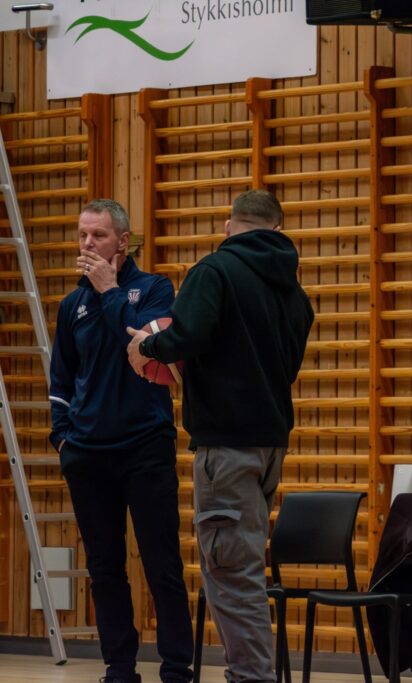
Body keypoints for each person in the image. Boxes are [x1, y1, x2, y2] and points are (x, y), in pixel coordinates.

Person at [126, 189, 314, 683]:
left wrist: (148, 346)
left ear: (229, 227)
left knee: (232, 574)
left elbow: (186, 337)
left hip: (226, 447)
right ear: (277, 230)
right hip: (270, 444)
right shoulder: (295, 293)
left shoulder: (214, 271)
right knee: (241, 568)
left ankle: (251, 678)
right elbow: (287, 367)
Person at [49, 199, 193, 683]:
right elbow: (61, 379)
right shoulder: (71, 305)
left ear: (123, 242)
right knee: (105, 568)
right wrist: (63, 439)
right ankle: (119, 667)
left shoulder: (154, 290)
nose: (88, 244)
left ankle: (177, 667)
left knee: (162, 563)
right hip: (87, 454)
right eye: (82, 235)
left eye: (99, 235)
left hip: (145, 447)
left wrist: (110, 291)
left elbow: (139, 342)